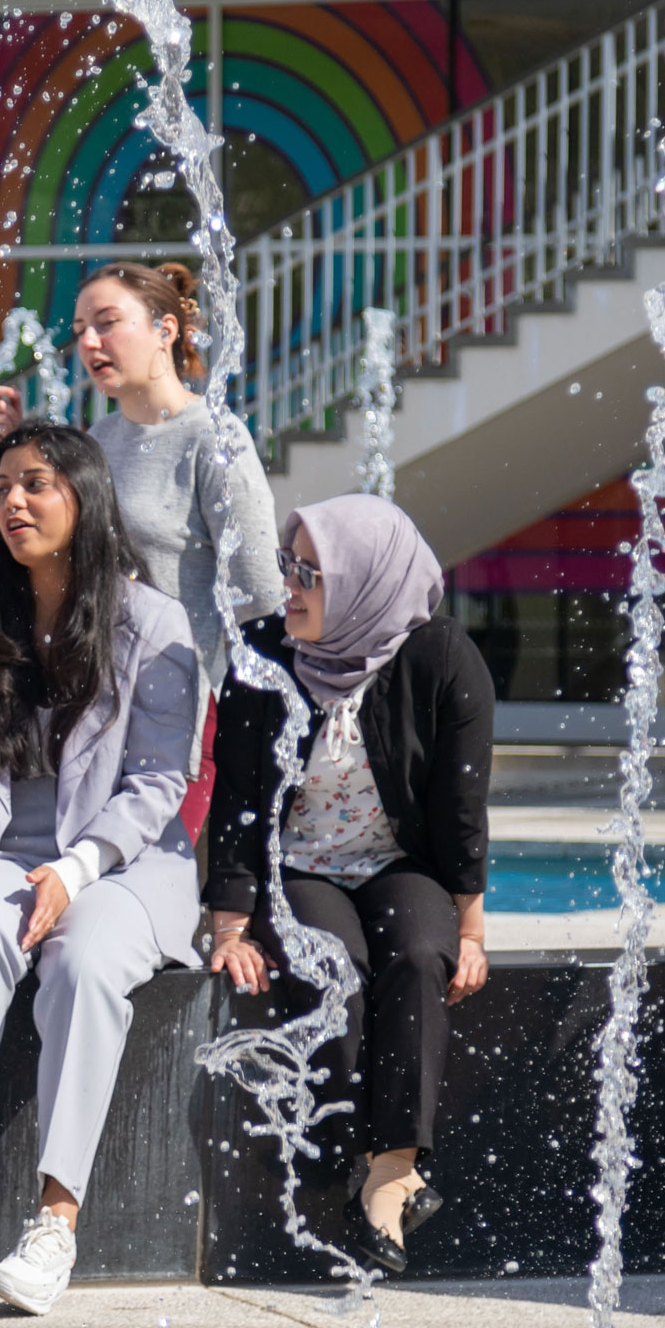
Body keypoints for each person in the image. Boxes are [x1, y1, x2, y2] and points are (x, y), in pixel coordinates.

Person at [0, 419, 202, 1316]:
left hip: (124, 861)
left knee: (85, 959)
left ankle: (55, 1222)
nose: (13, 503)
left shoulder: (152, 623)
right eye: (2, 490)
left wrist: (76, 869)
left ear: (84, 497)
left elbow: (157, 783)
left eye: (35, 485)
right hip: (5, 851)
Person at [200, 493, 494, 1274]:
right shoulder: (264, 656)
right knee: (336, 967)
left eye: (310, 573)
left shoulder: (440, 658)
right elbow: (233, 799)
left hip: (400, 863)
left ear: (365, 582)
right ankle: (362, 1168)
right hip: (295, 864)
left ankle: (391, 1177)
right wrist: (230, 924)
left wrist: (472, 927)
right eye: (287, 567)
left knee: (422, 955)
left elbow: (462, 804)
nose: (289, 587)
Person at [0, 263, 281, 836]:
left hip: (176, 708)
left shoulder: (213, 438)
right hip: (89, 702)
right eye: (80, 328)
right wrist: (13, 454)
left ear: (166, 329)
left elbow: (259, 595)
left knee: (143, 879)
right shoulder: (95, 443)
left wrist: (252, 731)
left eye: (109, 323)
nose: (89, 342)